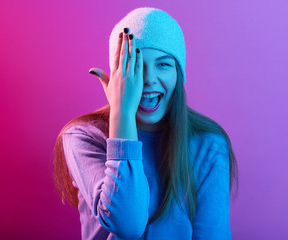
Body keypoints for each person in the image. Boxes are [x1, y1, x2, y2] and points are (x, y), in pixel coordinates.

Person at [53, 7, 239, 240]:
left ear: (179, 74)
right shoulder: (83, 137)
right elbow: (127, 225)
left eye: (163, 64)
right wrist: (122, 114)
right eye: (135, 65)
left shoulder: (208, 145)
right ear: (118, 76)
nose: (149, 79)